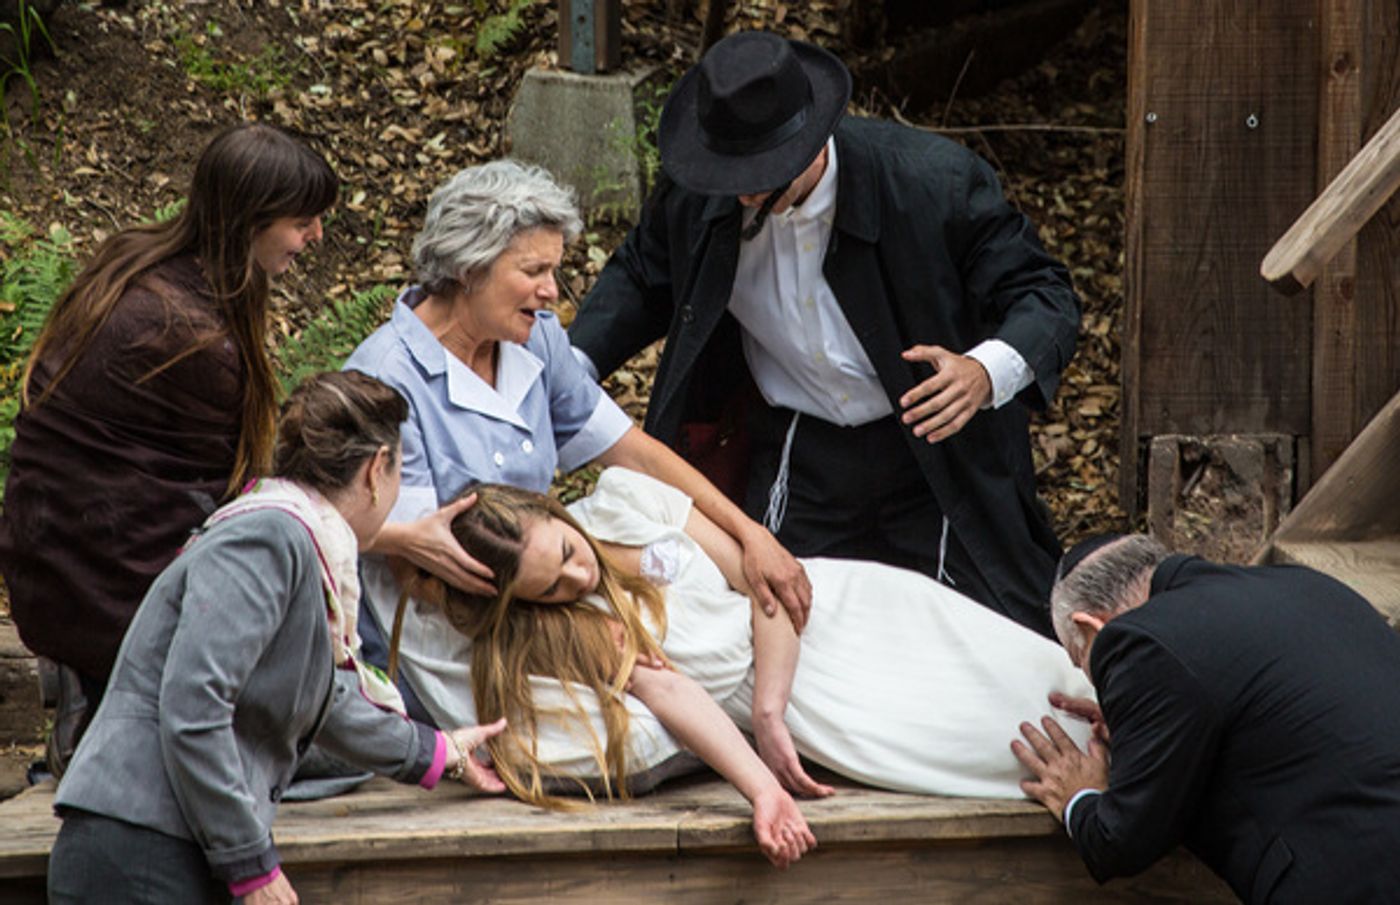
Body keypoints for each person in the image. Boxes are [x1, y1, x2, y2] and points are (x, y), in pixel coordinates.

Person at [568, 31, 1081, 638]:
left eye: (762, 173)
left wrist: (983, 371)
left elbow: (1043, 292)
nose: (745, 192)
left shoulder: (932, 182)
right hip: (798, 445)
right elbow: (643, 274)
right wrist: (565, 367)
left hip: (932, 447)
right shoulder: (702, 194)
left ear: (813, 142)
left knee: (987, 628)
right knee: (778, 620)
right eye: (732, 173)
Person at [400, 466, 1092, 865]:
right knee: (1000, 743)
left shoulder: (624, 497)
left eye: (568, 554)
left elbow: (763, 586)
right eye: (549, 587)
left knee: (1035, 671)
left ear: (553, 510)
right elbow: (670, 692)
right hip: (827, 704)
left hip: (835, 609)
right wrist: (764, 787)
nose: (576, 580)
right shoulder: (570, 630)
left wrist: (768, 707)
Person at [342, 159, 810, 727]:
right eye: (534, 271)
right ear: (468, 267)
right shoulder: (387, 377)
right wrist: (579, 626)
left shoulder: (533, 339)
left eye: (555, 270)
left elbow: (632, 451)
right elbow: (423, 569)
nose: (552, 292)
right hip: (451, 632)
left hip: (546, 586)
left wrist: (750, 532)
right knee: (670, 699)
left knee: (716, 635)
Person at [46, 371, 509, 905]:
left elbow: (323, 697)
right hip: (141, 846)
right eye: (400, 471)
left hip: (170, 845)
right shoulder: (266, 536)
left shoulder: (294, 542)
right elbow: (196, 701)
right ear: (376, 469)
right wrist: (251, 864)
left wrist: (440, 752)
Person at [0, 122, 337, 773]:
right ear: (251, 220)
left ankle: (100, 691)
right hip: (101, 585)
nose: (316, 235)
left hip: (47, 562)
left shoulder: (140, 261)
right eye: (302, 222)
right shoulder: (185, 335)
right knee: (301, 746)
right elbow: (227, 500)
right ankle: (113, 705)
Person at [1011, 534, 1400, 903]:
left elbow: (1121, 840)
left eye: (1081, 659)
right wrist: (1144, 724)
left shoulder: (1138, 640)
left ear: (1089, 624)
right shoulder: (1308, 585)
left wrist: (1078, 796)